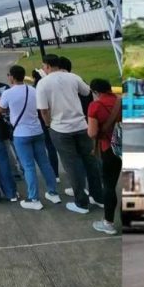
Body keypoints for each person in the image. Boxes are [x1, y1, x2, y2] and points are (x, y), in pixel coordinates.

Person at [37, 54, 103, 215]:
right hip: (81, 125)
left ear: (46, 66)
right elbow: (86, 91)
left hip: (60, 129)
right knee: (91, 162)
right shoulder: (73, 77)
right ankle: (98, 196)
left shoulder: (42, 83)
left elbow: (43, 110)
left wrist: (48, 124)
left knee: (72, 166)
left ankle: (81, 202)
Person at [0, 65, 61, 210]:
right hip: (37, 130)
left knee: (28, 167)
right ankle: (53, 192)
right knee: (44, 163)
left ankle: (34, 198)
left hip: (21, 134)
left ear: (12, 77)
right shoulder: (33, 90)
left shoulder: (8, 93)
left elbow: (1, 109)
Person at [87, 78, 122, 235]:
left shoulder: (95, 106)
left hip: (109, 150)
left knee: (109, 186)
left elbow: (92, 133)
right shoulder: (120, 101)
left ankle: (108, 223)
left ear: (95, 92)